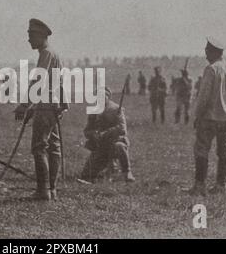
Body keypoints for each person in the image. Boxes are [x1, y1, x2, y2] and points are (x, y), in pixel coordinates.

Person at [14, 19, 68, 201]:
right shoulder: (53, 53)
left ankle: (43, 191)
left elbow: (39, 80)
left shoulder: (46, 53)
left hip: (46, 106)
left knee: (39, 148)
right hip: (51, 106)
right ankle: (51, 190)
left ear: (41, 36)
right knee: (53, 147)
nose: (28, 40)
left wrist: (24, 105)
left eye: (31, 36)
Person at [188, 37, 226, 196]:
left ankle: (200, 185)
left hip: (210, 118)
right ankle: (221, 186)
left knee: (201, 149)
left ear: (215, 51)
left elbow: (203, 97)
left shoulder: (211, 69)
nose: (205, 53)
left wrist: (197, 115)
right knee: (224, 152)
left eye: (207, 50)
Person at [79, 87, 135, 183]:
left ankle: (127, 172)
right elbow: (87, 130)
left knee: (120, 146)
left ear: (107, 97)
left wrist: (106, 133)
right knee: (86, 174)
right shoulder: (94, 111)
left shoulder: (116, 109)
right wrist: (93, 135)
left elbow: (122, 129)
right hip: (101, 146)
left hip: (115, 142)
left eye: (103, 96)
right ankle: (105, 170)